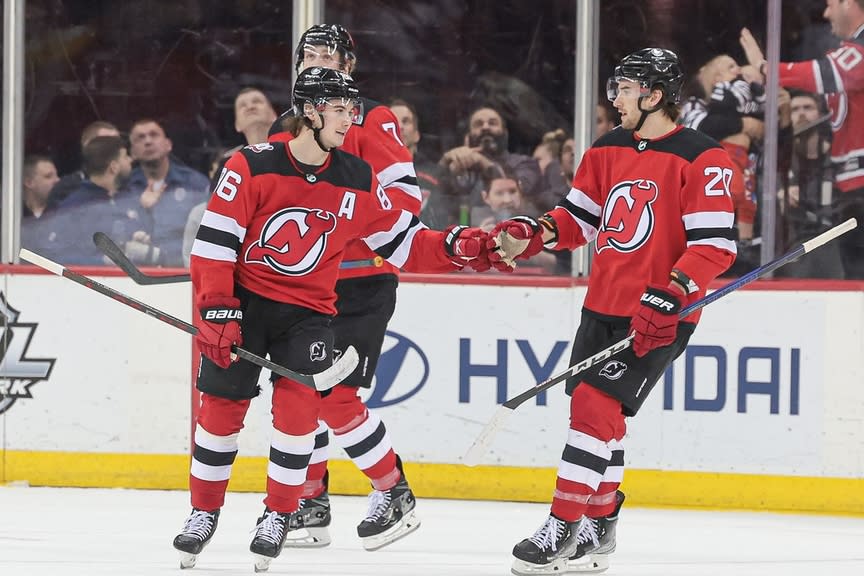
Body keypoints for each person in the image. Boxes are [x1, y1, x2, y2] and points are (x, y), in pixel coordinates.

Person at [172, 67, 490, 571]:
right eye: (341, 111)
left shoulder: (356, 177)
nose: (350, 120)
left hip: (308, 315)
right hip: (246, 303)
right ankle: (202, 513)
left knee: (299, 414)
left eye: (352, 110)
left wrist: (461, 246)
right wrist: (215, 308)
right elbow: (213, 246)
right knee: (219, 412)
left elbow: (405, 242)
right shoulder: (249, 166)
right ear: (311, 112)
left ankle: (281, 513)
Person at [486, 48, 737, 575]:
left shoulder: (704, 157)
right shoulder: (607, 148)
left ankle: (563, 523)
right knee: (601, 417)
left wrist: (673, 290)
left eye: (625, 89)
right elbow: (578, 219)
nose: (615, 98)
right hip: (602, 305)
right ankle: (600, 524)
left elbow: (715, 246)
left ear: (655, 94)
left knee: (593, 408)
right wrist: (534, 233)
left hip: (659, 315)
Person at [268, 25, 428, 551]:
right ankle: (310, 505)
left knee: (334, 393)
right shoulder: (284, 126)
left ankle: (393, 490)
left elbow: (404, 201)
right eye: (307, 53)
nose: (315, 60)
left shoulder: (371, 117)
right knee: (298, 388)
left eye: (326, 54)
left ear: (349, 65)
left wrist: (341, 231)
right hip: (305, 286)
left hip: (360, 281)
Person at [741, 0, 864, 278]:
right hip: (853, 188)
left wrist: (766, 68)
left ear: (848, 4)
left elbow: (824, 74)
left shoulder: (861, 48)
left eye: (831, 4)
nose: (825, 13)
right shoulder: (852, 49)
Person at [182, 87, 279, 266]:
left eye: (257, 101)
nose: (250, 107)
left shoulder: (295, 154)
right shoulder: (227, 165)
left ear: (274, 114)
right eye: (243, 105)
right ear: (237, 124)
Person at [35, 136, 145, 264]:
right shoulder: (75, 207)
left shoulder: (127, 200)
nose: (130, 160)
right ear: (114, 167)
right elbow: (54, 256)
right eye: (125, 157)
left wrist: (139, 241)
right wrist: (101, 261)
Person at [126, 119, 210, 267]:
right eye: (140, 138)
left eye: (154, 135)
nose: (148, 141)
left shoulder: (196, 183)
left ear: (168, 145)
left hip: (183, 273)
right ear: (132, 152)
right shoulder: (123, 187)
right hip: (136, 275)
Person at [439, 105, 546, 213]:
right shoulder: (460, 169)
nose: (485, 127)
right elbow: (442, 203)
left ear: (505, 133)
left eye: (492, 123)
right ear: (468, 136)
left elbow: (518, 193)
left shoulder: (525, 164)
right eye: (478, 124)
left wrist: (483, 162)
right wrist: (444, 164)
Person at [390, 98, 453, 229]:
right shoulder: (368, 174)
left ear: (417, 134)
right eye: (393, 121)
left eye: (405, 121)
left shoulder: (437, 175)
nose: (399, 126)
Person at [50, 121, 121, 204]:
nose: (116, 148)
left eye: (117, 143)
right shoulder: (67, 188)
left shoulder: (128, 180)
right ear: (88, 146)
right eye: (107, 142)